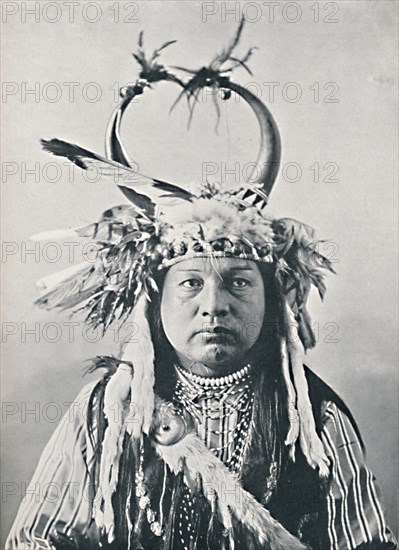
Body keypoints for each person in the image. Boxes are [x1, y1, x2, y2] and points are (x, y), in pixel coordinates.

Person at [6, 21, 397, 550]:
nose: (214, 306)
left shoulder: (314, 421)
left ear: (274, 301)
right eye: (189, 283)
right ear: (154, 302)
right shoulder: (108, 410)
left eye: (238, 282)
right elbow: (34, 540)